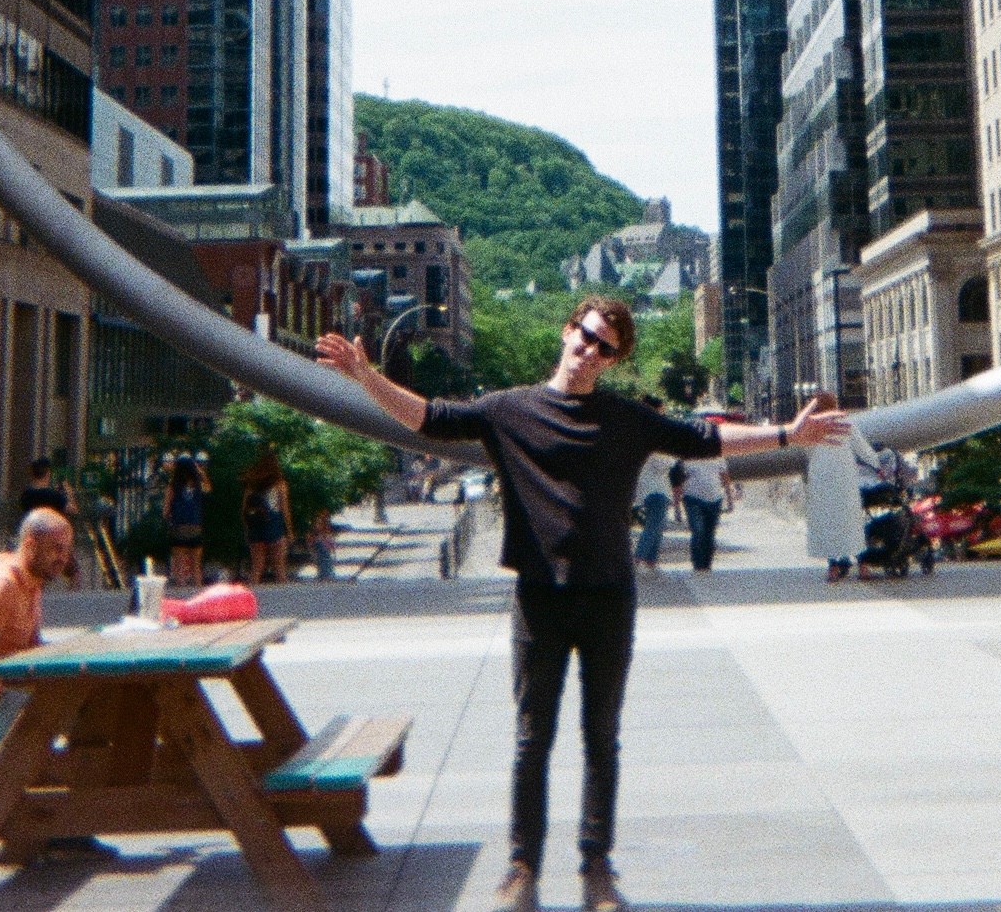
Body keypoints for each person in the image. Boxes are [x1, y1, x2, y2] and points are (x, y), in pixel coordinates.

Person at [316, 298, 849, 912]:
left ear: (614, 360)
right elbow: (430, 419)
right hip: (539, 598)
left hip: (608, 596)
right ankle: (520, 866)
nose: (591, 352)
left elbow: (703, 437)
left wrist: (787, 434)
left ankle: (597, 866)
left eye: (607, 349)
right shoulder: (509, 409)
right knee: (531, 739)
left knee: (601, 736)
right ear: (568, 331)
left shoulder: (625, 418)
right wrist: (364, 375)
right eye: (588, 337)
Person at [0, 508, 73, 742]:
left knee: (96, 702)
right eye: (56, 548)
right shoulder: (0, 588)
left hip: (8, 697)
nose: (63, 558)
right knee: (86, 715)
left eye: (67, 549)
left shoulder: (32, 583)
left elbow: (34, 646)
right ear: (30, 544)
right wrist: (22, 681)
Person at [805, 407, 876, 579]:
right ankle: (863, 565)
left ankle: (833, 568)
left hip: (822, 480)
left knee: (829, 522)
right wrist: (877, 463)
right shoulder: (847, 424)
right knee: (852, 521)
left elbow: (807, 452)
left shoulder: (812, 428)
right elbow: (862, 448)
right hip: (845, 478)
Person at [241, 450, 292, 585]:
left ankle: (252, 597)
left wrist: (247, 530)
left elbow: (244, 509)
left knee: (257, 567)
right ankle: (284, 600)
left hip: (256, 526)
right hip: (274, 522)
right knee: (279, 568)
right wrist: (289, 531)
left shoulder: (252, 485)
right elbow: (284, 510)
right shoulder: (280, 484)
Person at [162, 452, 210, 588]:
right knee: (196, 564)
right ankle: (198, 589)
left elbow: (166, 510)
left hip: (179, 526)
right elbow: (209, 488)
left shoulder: (173, 486)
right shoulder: (198, 485)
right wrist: (200, 472)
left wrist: (167, 519)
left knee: (179, 564)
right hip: (195, 526)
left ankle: (181, 589)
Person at [680, 449, 732, 572]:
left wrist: (729, 498)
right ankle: (698, 564)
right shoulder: (688, 457)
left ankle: (706, 564)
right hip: (692, 498)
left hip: (715, 499)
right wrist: (677, 501)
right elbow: (680, 478)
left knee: (709, 533)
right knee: (697, 530)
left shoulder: (718, 457)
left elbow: (725, 477)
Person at [631, 445, 673, 571]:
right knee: (653, 525)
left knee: (658, 526)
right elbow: (663, 464)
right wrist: (673, 456)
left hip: (653, 491)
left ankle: (651, 560)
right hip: (656, 491)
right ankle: (637, 558)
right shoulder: (656, 451)